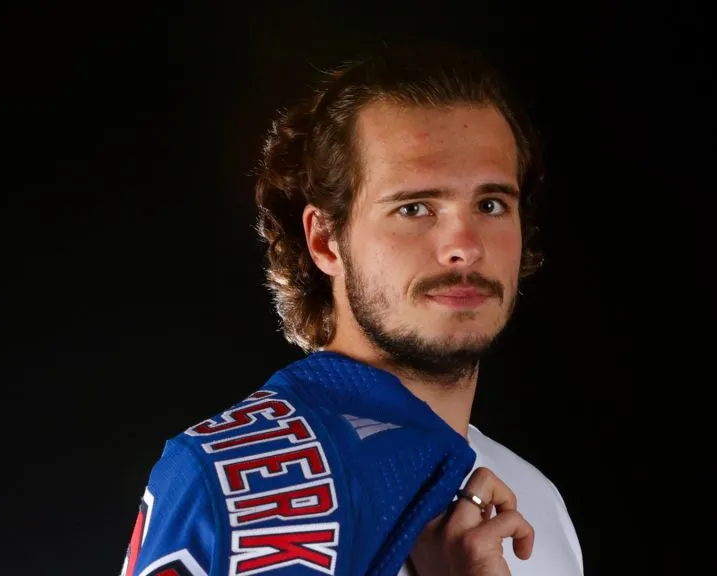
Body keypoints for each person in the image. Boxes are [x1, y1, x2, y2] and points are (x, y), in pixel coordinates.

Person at [120, 43, 585, 576]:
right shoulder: (222, 482)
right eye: (414, 208)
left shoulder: (537, 505)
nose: (464, 246)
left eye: (490, 204)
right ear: (325, 241)